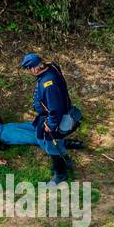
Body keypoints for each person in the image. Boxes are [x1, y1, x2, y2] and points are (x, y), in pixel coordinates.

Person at [20, 52, 80, 185]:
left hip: (55, 118)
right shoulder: (52, 66)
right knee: (40, 137)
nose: (28, 72)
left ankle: (60, 173)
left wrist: (51, 125)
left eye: (28, 69)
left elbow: (56, 107)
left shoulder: (48, 84)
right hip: (47, 116)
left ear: (35, 68)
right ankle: (65, 160)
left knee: (52, 145)